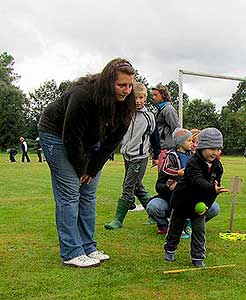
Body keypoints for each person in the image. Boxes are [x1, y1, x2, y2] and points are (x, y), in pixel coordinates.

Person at [39, 58, 136, 268]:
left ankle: (88, 247)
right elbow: (71, 137)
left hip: (92, 141)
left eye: (129, 85)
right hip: (56, 134)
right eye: (121, 85)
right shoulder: (83, 94)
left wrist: (92, 169)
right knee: (70, 192)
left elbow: (112, 142)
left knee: (89, 194)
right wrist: (81, 168)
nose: (127, 90)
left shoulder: (127, 100)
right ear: (109, 82)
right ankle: (72, 252)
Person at [164, 128, 229, 267]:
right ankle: (170, 249)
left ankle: (198, 257)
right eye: (211, 148)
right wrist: (212, 188)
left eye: (218, 149)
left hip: (199, 203)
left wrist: (207, 204)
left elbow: (214, 188)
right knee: (176, 228)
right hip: (182, 200)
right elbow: (197, 181)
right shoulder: (193, 163)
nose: (215, 152)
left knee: (199, 230)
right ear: (202, 147)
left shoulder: (218, 167)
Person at [105, 82, 160, 230]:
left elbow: (155, 137)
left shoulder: (149, 117)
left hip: (140, 157)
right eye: (135, 98)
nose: (138, 101)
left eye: (142, 98)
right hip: (127, 156)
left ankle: (118, 220)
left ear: (145, 98)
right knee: (137, 187)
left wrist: (157, 155)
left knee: (128, 187)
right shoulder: (124, 113)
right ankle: (156, 214)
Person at [152, 83, 180, 171]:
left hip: (167, 148)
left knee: (165, 175)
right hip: (161, 148)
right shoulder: (161, 109)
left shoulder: (169, 109)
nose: (153, 97)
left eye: (156, 95)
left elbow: (176, 128)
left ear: (163, 95)